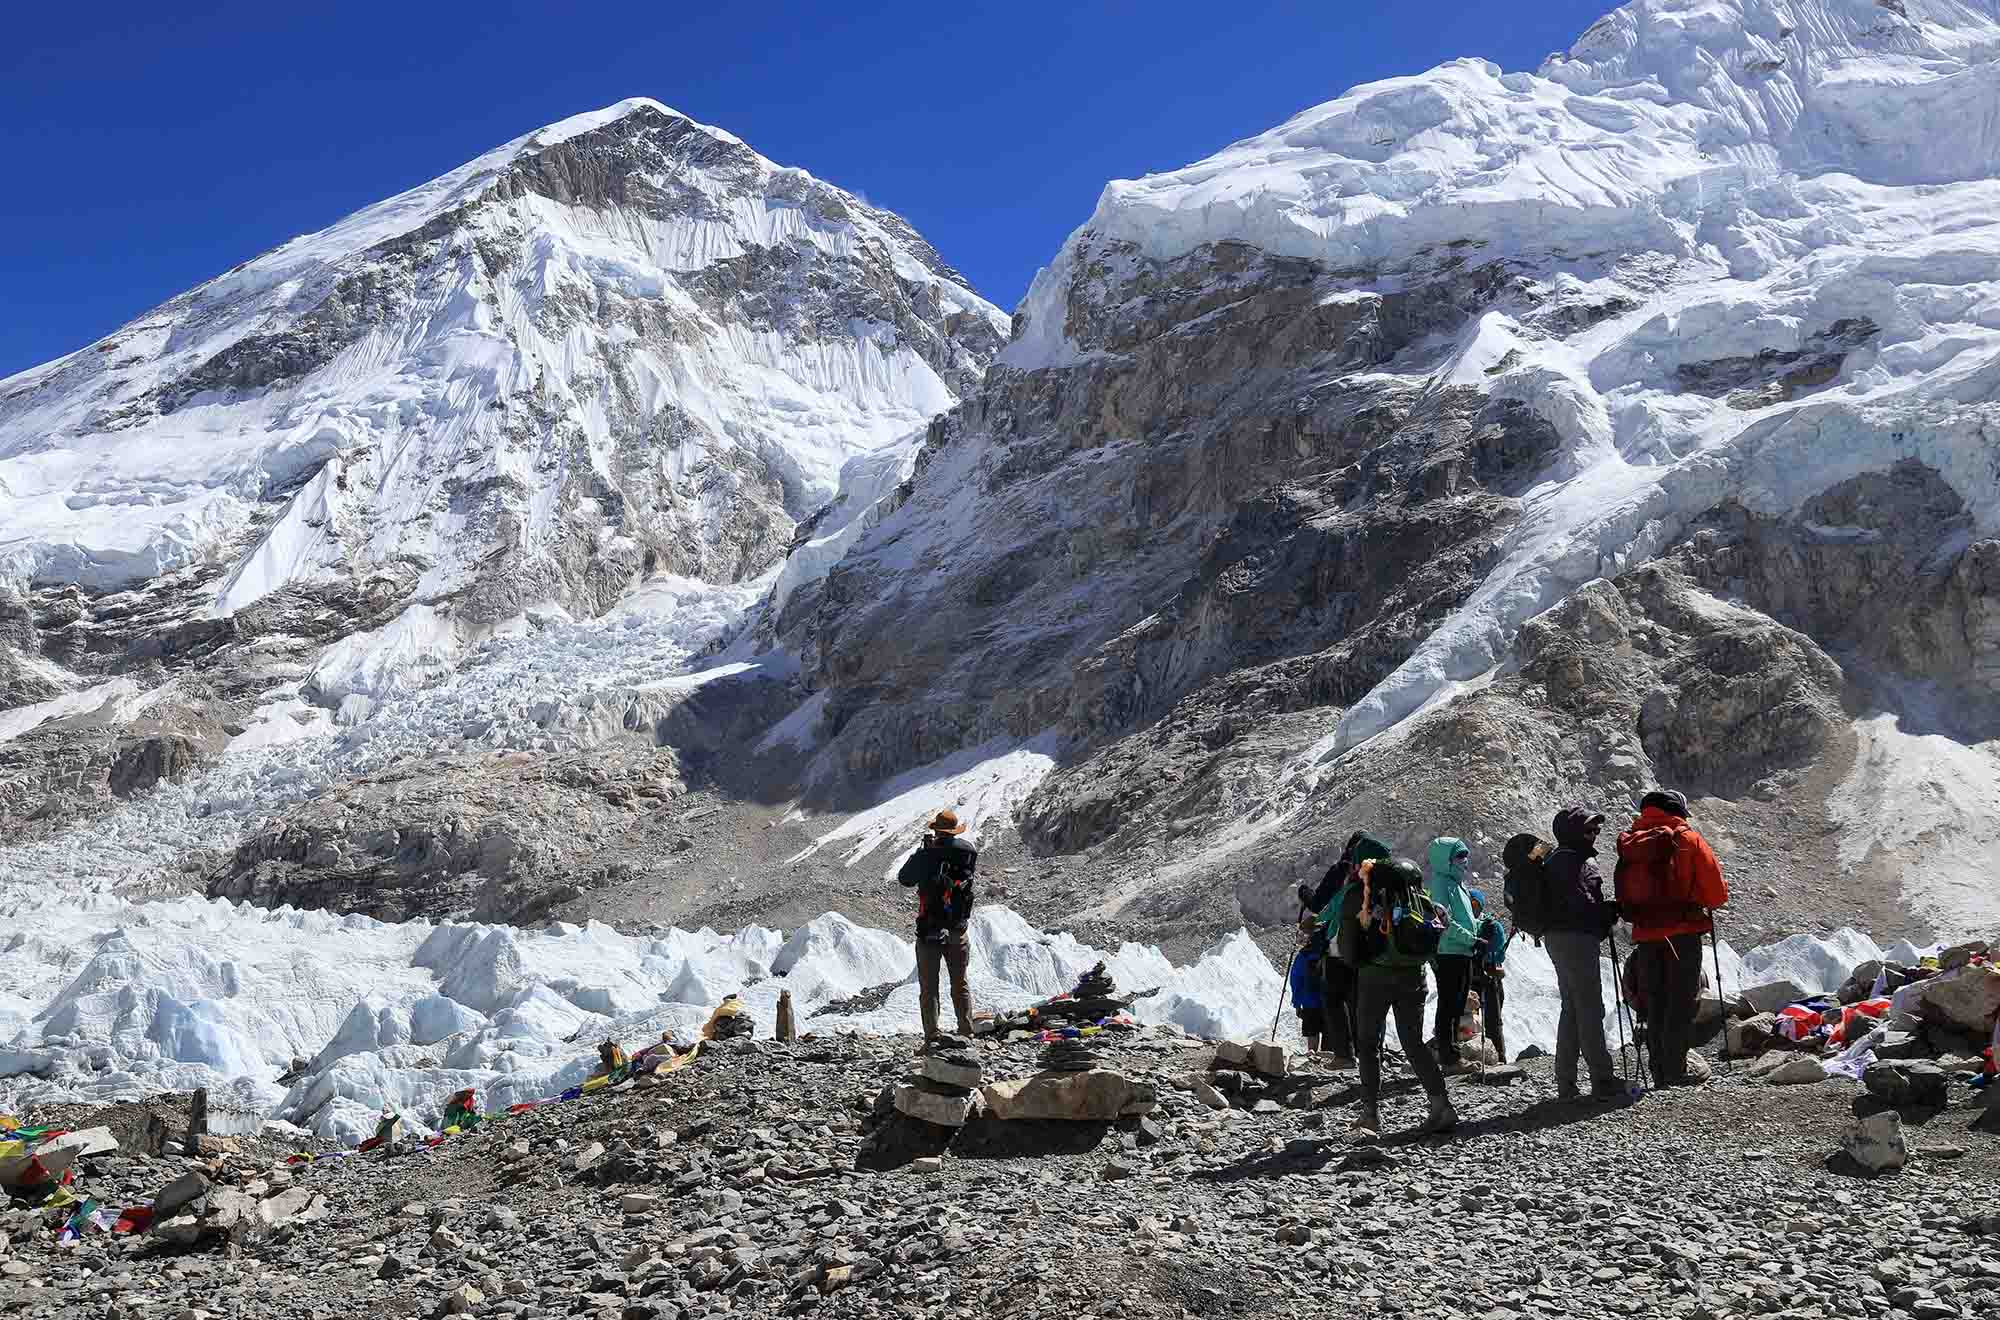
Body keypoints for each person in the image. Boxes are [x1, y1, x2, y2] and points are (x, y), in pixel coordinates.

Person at [1331, 856, 1456, 1136]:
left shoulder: (1361, 897)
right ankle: (1441, 1105)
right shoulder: (1419, 898)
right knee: (1413, 1041)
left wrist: (1363, 960)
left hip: (1375, 977)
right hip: (1414, 975)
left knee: (1368, 1043)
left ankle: (1371, 1114)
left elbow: (1347, 949)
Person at [1617, 789, 1729, 1088]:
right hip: (1682, 934)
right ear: (1676, 811)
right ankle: (1674, 1071)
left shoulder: (1631, 843)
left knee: (1654, 1002)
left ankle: (1657, 1070)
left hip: (1645, 936)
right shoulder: (1687, 839)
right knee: (1680, 1002)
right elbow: (1716, 893)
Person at [1543, 806, 1621, 1101]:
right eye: (1589, 830)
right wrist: (1607, 913)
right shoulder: (1577, 862)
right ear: (1575, 832)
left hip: (1556, 938)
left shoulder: (1553, 859)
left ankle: (1566, 1082)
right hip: (1577, 940)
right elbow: (1583, 905)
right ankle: (1602, 1079)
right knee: (1589, 1009)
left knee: (1571, 1008)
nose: (1594, 835)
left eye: (1596, 830)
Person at [1299, 831, 1390, 1069]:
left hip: (1340, 952)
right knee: (1363, 1005)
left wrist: (1313, 920)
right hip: (1371, 957)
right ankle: (1370, 1054)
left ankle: (1344, 1055)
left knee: (1334, 1001)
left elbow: (1329, 909)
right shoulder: (1386, 887)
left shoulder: (1351, 884)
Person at [897, 808, 978, 1049]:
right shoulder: (967, 852)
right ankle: (966, 1032)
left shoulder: (927, 855)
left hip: (929, 929)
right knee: (959, 982)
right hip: (957, 928)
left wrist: (923, 853)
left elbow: (905, 879)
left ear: (936, 830)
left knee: (929, 987)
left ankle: (932, 1036)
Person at [1424, 837, 1481, 1073]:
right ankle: (1448, 1057)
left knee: (1457, 1004)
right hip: (1448, 952)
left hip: (1461, 951)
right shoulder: (1440, 884)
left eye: (1465, 855)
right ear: (1445, 860)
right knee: (1449, 1004)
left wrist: (1477, 934)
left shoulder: (1458, 885)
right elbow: (1444, 921)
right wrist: (1472, 938)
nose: (1464, 861)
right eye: (1459, 856)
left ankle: (1450, 1052)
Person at [1469, 888, 1509, 1063]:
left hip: (1476, 978)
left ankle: (1491, 1057)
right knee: (1487, 1021)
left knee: (1480, 1021)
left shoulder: (1467, 924)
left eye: (1474, 904)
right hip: (1487, 977)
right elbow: (1500, 954)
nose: (1472, 908)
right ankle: (1495, 1056)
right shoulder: (1491, 926)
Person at [1288, 913, 1327, 1053]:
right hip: (1332, 1001)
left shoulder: (1304, 955)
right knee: (1331, 1033)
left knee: (1312, 1033)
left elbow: (1296, 981)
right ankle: (1331, 1061)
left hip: (1310, 1002)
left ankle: (1313, 1059)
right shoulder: (1331, 951)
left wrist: (1297, 1003)